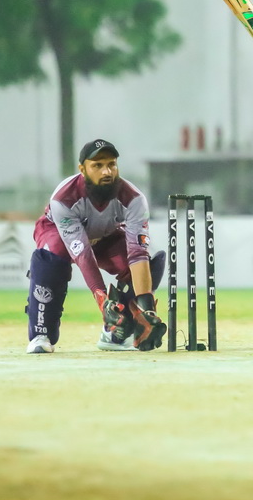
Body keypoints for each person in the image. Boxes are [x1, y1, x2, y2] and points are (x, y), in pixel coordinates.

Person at [25, 139, 167, 354]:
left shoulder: (134, 199)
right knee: (49, 260)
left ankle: (117, 333)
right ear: (82, 169)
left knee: (149, 262)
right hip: (57, 233)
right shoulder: (64, 199)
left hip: (105, 235)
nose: (107, 171)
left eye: (111, 164)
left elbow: (137, 252)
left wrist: (146, 308)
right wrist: (103, 300)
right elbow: (82, 254)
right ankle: (41, 333)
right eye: (97, 165)